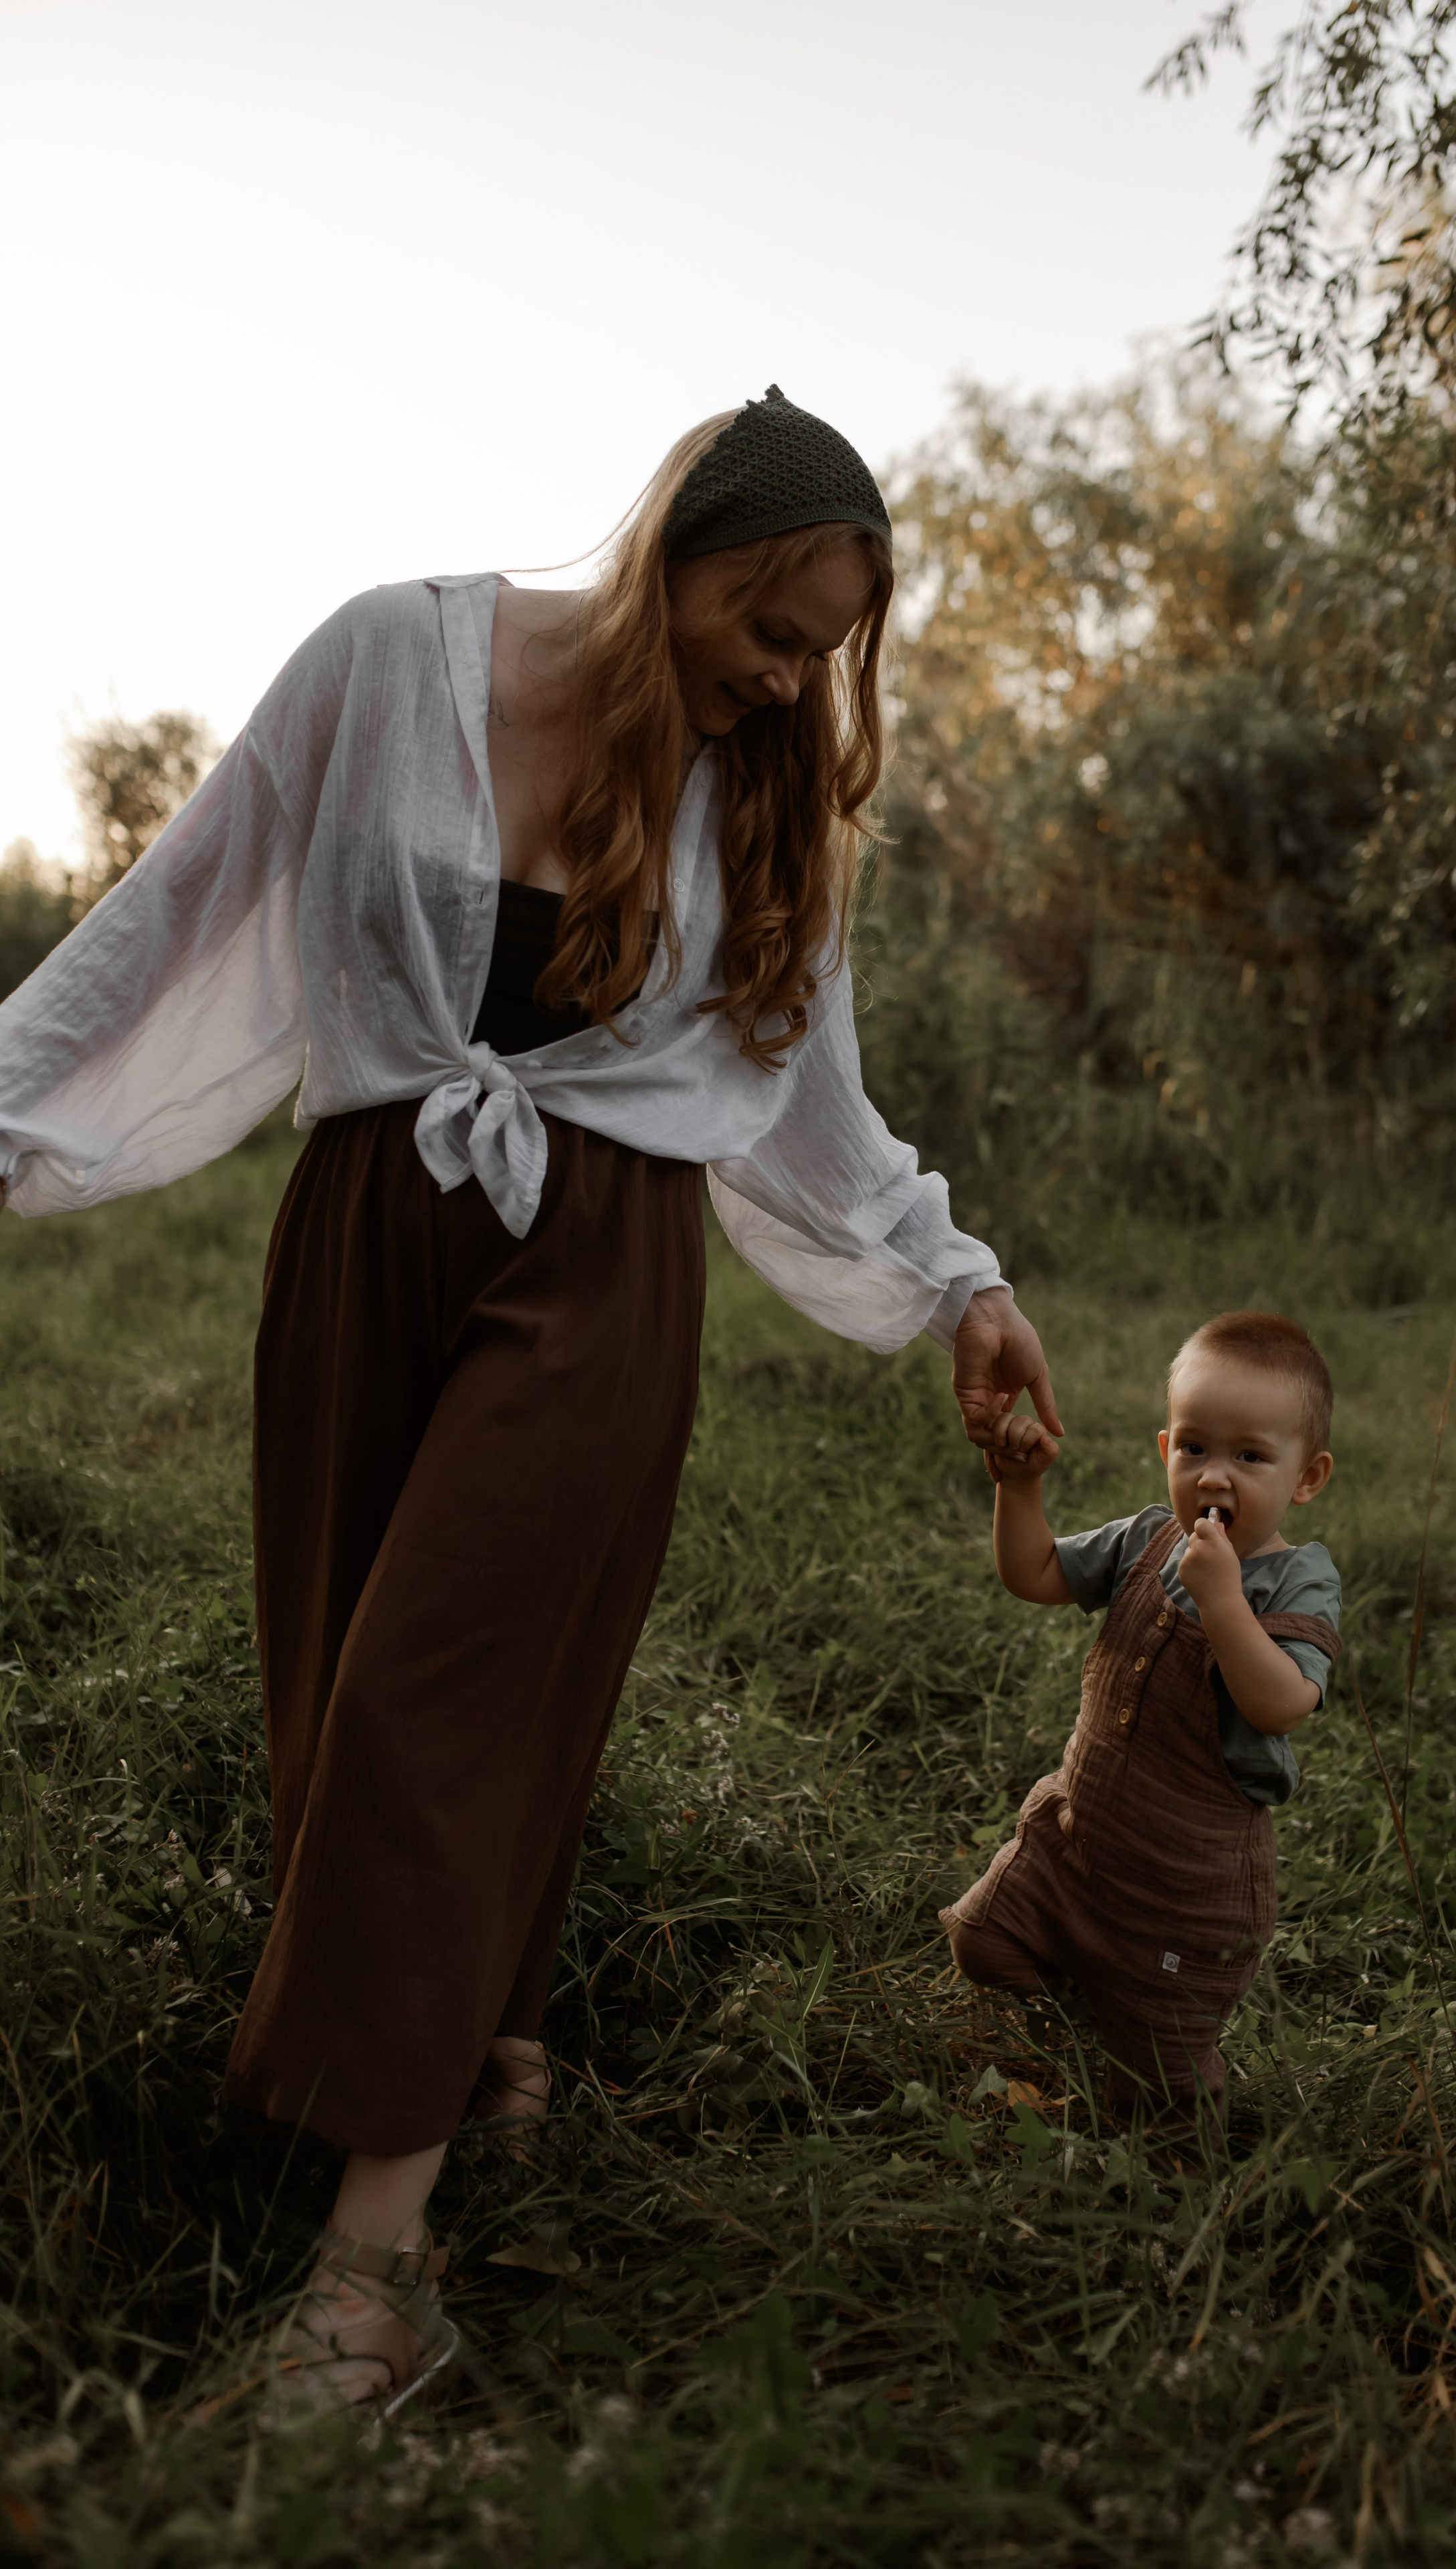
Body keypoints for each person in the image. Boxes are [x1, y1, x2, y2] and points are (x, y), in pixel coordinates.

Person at [0, 387, 1061, 2416]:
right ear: (686, 550)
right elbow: (185, 898)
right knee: (340, 1694)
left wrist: (959, 1283)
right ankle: (489, 2046)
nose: (790, 678)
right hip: (366, 1227)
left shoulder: (764, 801)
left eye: (827, 648)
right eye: (774, 623)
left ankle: (369, 2286)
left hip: (601, 1266)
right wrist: (10, 1106)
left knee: (448, 1687)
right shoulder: (389, 659)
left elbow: (807, 1100)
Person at [942, 1310, 1339, 2133]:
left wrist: (1225, 1603)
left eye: (1251, 1456)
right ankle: (1092, 1986)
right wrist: (1019, 1489)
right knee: (982, 1942)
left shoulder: (1297, 1582)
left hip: (1185, 1895)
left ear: (1306, 1477)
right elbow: (1037, 1573)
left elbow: (1282, 1703)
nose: (1214, 1476)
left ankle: (1173, 2163)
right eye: (1194, 1447)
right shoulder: (1147, 1540)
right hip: (1077, 1847)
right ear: (1165, 1450)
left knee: (1159, 2101)